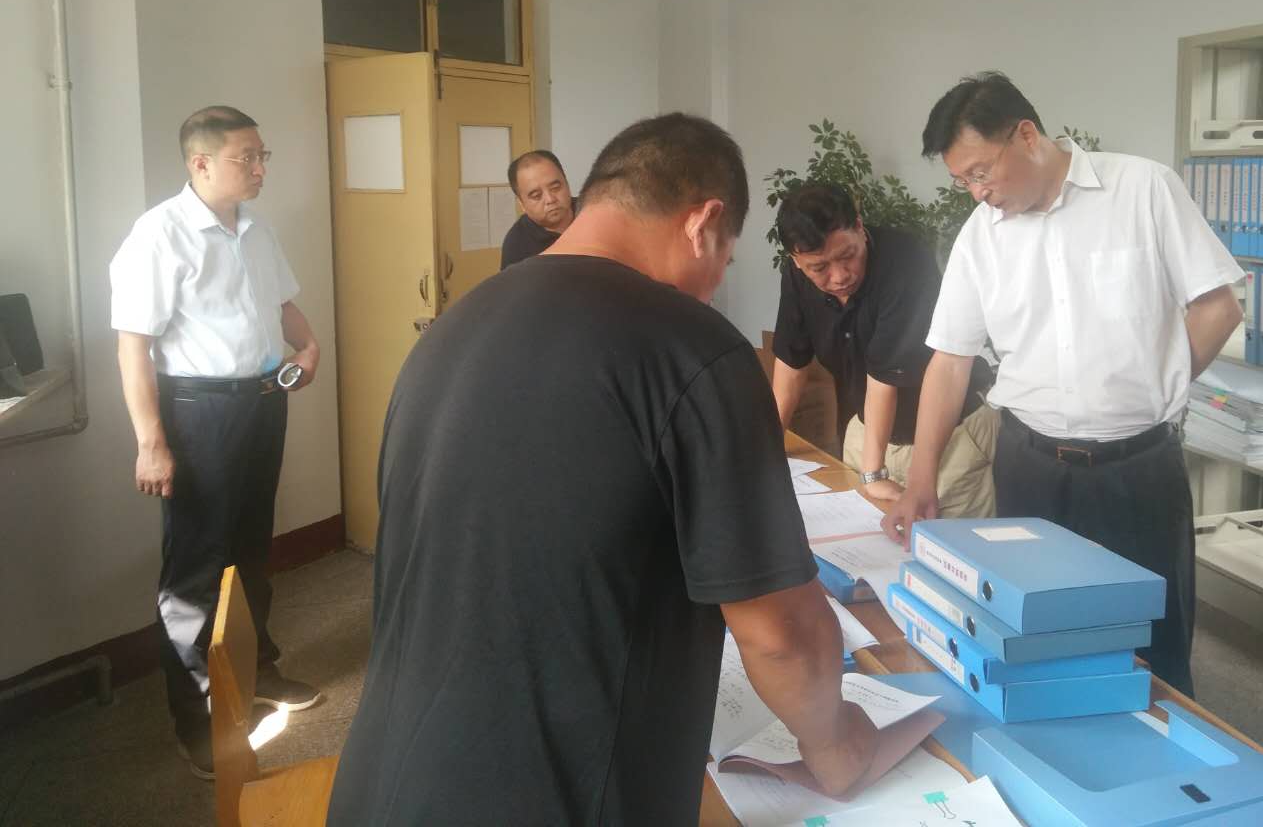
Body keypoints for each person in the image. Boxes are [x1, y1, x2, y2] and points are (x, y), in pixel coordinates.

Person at [329, 114, 877, 824]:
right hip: (557, 798)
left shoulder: (451, 330)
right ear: (703, 223)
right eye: (724, 261)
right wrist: (833, 743)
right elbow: (782, 632)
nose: (714, 285)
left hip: (384, 784)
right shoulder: (694, 347)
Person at [882, 72, 1242, 696]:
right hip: (1030, 468)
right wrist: (920, 480)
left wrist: (1156, 384)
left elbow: (1219, 308)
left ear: (1026, 136)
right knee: (1034, 644)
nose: (977, 193)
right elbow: (950, 361)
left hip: (1137, 471)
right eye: (963, 181)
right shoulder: (981, 237)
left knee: (1153, 650)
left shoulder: (1143, 189)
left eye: (981, 172)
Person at [110, 106, 322, 779]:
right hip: (198, 413)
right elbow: (133, 347)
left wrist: (307, 344)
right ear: (200, 163)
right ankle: (197, 718)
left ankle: (257, 672)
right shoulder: (159, 235)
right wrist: (151, 442)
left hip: (262, 402)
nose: (260, 168)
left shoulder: (256, 229)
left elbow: (281, 303)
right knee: (196, 572)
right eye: (245, 157)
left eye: (263, 156)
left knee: (250, 549)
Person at [771, 182, 998, 516]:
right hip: (867, 433)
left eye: (847, 256)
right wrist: (769, 446)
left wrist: (873, 473)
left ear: (859, 226)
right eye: (819, 268)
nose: (839, 276)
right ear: (797, 260)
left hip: (949, 441)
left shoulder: (905, 260)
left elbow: (884, 376)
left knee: (947, 542)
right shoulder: (796, 276)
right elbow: (791, 361)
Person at [499, 149, 577, 268]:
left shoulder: (593, 211)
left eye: (555, 188)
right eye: (536, 196)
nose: (550, 199)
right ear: (522, 204)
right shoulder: (516, 244)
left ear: (567, 184)